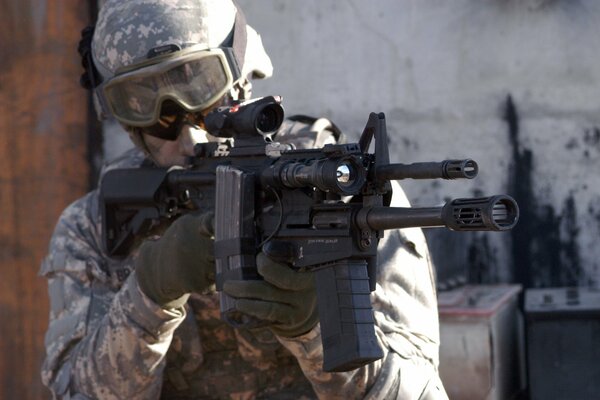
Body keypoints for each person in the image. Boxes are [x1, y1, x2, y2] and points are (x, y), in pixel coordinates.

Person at [40, 0, 448, 398]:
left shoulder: (344, 191)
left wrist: (312, 330)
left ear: (242, 78)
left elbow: (420, 392)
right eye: (154, 113)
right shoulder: (93, 227)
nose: (190, 138)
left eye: (202, 92)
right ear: (127, 121)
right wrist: (150, 293)